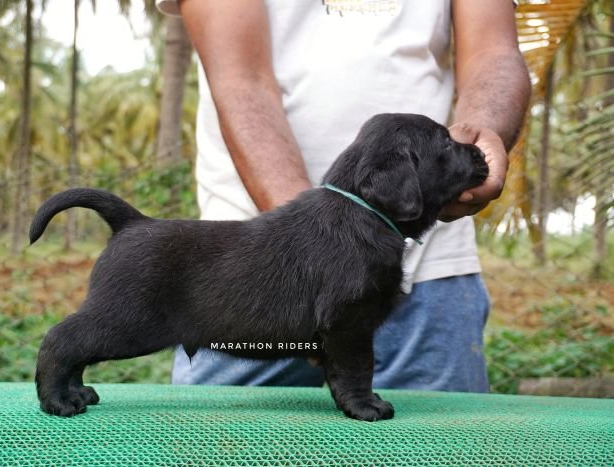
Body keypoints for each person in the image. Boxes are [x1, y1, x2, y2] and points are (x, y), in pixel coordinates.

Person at [156, 0, 531, 392]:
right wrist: (317, 258)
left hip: (431, 265)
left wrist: (478, 137)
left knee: (434, 452)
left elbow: (494, 51)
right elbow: (241, 80)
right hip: (257, 268)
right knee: (225, 449)